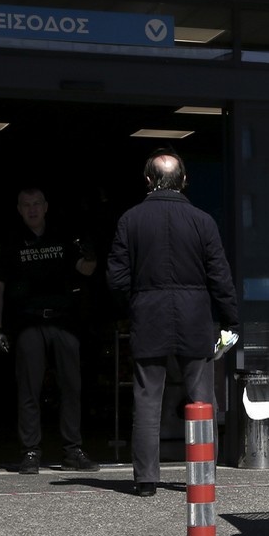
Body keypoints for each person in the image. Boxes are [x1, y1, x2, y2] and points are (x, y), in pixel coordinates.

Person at [106, 148, 239, 497]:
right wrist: (230, 319)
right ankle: (203, 476)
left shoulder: (130, 220)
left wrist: (134, 306)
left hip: (148, 315)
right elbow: (220, 276)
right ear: (184, 181)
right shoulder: (202, 221)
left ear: (148, 180)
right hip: (195, 316)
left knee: (147, 398)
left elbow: (116, 279)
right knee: (202, 398)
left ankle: (146, 480)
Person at [0, 187, 100, 475]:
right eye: (26, 205)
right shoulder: (9, 241)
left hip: (63, 321)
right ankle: (30, 452)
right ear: (19, 209)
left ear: (46, 206)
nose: (32, 209)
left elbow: (86, 269)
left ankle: (72, 450)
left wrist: (91, 255)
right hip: (28, 322)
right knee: (29, 390)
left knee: (71, 388)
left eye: (37, 203)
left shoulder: (62, 235)